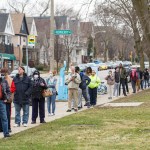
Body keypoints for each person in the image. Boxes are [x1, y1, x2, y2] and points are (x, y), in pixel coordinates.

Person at [0, 68, 13, 133]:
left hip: (4, 101)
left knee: (5, 116)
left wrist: (7, 98)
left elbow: (9, 91)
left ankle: (7, 131)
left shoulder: (5, 81)